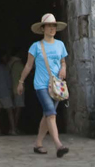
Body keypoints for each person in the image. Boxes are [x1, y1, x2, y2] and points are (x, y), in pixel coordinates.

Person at [16, 13, 70, 157]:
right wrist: (21, 82)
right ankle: (58, 145)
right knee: (51, 114)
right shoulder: (36, 47)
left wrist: (63, 68)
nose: (52, 28)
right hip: (41, 85)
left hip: (56, 86)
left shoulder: (60, 45)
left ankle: (38, 143)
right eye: (49, 26)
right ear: (43, 28)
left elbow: (63, 61)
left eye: (54, 26)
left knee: (47, 114)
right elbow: (28, 65)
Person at [0, 53, 17, 135]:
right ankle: (13, 129)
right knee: (10, 112)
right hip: (5, 92)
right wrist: (11, 90)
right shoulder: (5, 68)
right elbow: (8, 80)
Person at [8, 48, 25, 131]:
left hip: (9, 88)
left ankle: (12, 127)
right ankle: (14, 127)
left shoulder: (9, 64)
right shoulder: (19, 64)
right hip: (18, 89)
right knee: (18, 109)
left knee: (11, 109)